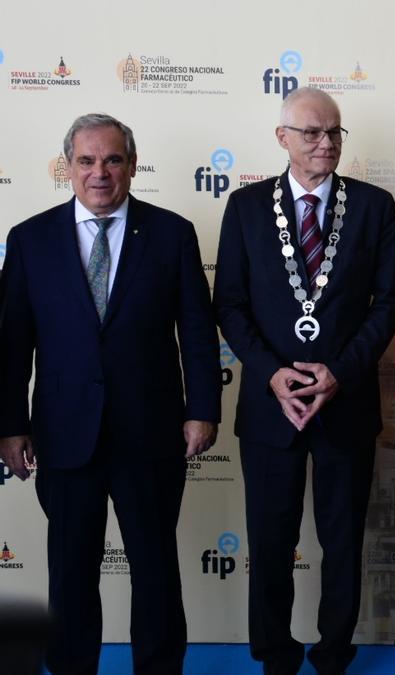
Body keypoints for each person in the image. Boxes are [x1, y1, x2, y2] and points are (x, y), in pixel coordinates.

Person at [0, 113, 221, 674]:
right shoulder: (29, 240)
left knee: (155, 569)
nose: (100, 173)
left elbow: (196, 332)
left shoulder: (172, 233)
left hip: (151, 433)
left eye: (113, 160)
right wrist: (9, 425)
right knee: (70, 572)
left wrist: (202, 411)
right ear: (67, 167)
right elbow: (10, 345)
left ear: (131, 165)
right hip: (65, 434)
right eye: (87, 161)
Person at [213, 87, 395, 675]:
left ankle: (332, 656)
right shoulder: (245, 208)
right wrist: (272, 375)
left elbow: (389, 304)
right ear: (282, 139)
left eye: (335, 133)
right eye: (312, 133)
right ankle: (275, 654)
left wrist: (338, 374)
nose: (326, 143)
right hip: (271, 407)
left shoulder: (375, 207)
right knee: (269, 543)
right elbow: (230, 304)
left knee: (343, 541)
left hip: (344, 402)